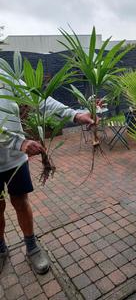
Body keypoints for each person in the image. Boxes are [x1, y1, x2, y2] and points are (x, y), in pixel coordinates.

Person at [0, 73, 95, 274]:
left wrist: (74, 114)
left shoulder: (4, 74)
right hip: (18, 148)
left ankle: (32, 247)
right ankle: (1, 248)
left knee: (21, 202)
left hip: (15, 159)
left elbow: (39, 99)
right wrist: (20, 142)